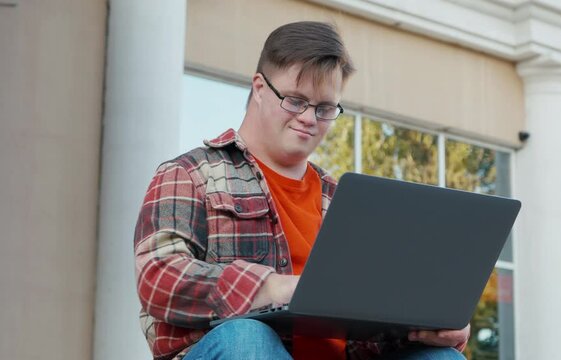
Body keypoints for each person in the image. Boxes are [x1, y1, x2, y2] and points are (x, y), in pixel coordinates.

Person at [134, 21, 470, 360]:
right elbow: (158, 277)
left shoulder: (345, 202)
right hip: (239, 351)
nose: (309, 118)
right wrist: (273, 287)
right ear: (260, 88)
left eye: (325, 108)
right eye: (296, 101)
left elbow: (370, 329)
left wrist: (435, 327)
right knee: (246, 339)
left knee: (442, 358)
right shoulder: (190, 174)